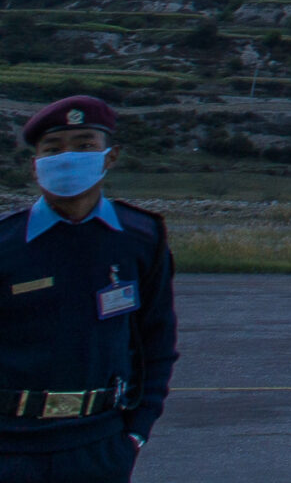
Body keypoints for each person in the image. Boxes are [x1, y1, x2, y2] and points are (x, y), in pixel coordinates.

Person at [0, 95, 176, 483]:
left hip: (99, 447)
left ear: (109, 157)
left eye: (84, 146)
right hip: (11, 445)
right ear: (36, 165)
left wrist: (136, 432)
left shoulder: (140, 238)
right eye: (54, 148)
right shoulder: (5, 244)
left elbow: (157, 342)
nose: (68, 157)